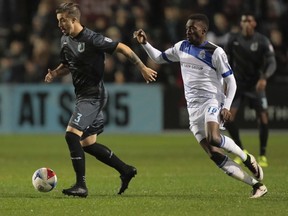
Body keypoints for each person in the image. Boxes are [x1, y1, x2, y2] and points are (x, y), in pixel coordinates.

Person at [134, 13, 267, 198]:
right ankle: (256, 185)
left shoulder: (216, 52)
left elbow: (232, 81)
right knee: (215, 154)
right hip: (193, 108)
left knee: (214, 137)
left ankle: (246, 158)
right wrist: (144, 43)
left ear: (203, 31)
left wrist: (226, 106)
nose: (188, 31)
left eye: (192, 28)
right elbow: (158, 58)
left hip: (212, 100)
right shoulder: (181, 47)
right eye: (187, 28)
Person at [44, 2, 157, 198]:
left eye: (63, 21)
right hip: (83, 95)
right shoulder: (65, 40)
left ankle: (81, 185)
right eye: (58, 21)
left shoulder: (91, 38)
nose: (60, 24)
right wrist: (55, 72)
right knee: (88, 144)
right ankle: (126, 170)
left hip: (93, 96)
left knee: (71, 135)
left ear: (74, 19)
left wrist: (142, 67)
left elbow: (122, 48)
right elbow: (68, 64)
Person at [224, 12, 276, 167]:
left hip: (256, 85)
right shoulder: (233, 40)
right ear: (241, 23)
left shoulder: (262, 41)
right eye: (244, 20)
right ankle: (241, 150)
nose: (246, 23)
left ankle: (262, 155)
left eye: (249, 20)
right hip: (238, 84)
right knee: (228, 118)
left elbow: (272, 62)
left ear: (254, 23)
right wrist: (226, 80)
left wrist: (264, 77)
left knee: (263, 118)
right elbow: (225, 61)